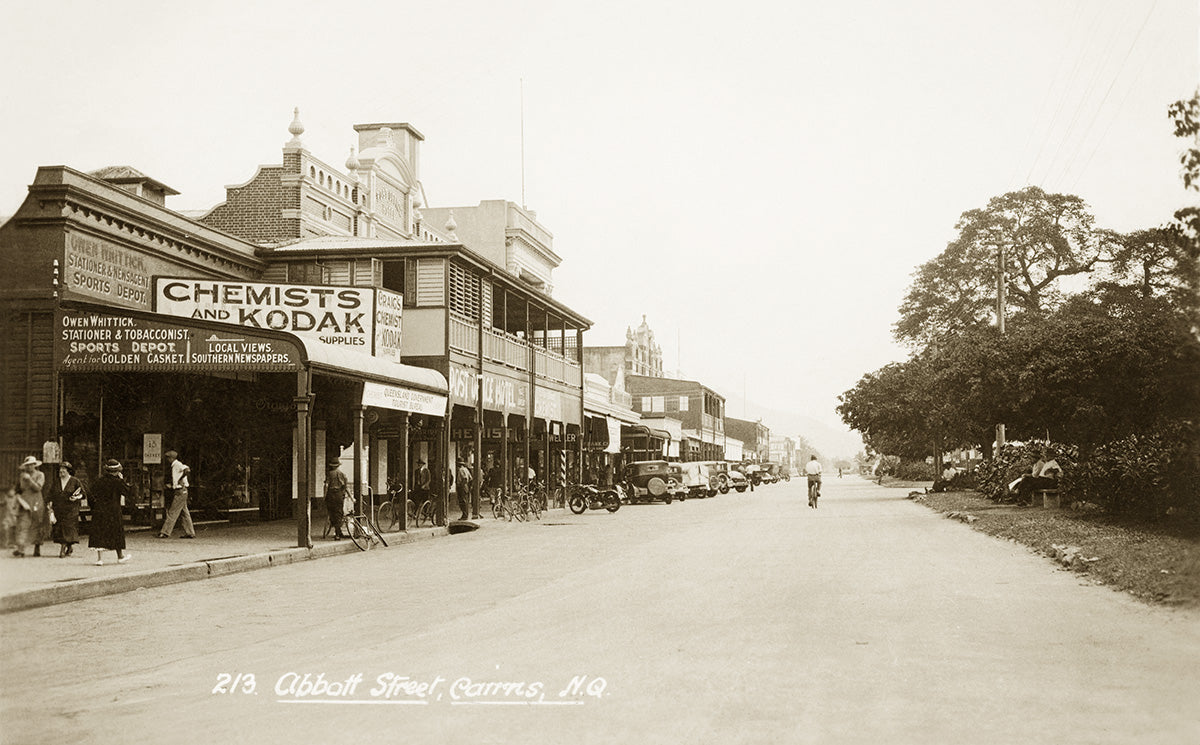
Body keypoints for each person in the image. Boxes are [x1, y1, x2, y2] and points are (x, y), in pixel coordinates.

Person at [89, 459, 130, 565]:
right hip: (114, 510)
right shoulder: (117, 482)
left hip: (100, 510)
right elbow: (126, 491)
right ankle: (120, 556)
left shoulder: (100, 481)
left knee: (100, 533)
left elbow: (91, 493)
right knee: (116, 533)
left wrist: (93, 506)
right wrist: (122, 480)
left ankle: (99, 559)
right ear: (117, 471)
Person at [48, 461, 85, 558]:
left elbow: (82, 494)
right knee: (60, 528)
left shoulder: (75, 481)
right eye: (60, 471)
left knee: (67, 526)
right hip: (59, 508)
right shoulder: (56, 482)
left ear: (68, 471)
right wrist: (50, 504)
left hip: (71, 509)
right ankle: (69, 546)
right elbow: (51, 494)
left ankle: (62, 549)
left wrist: (76, 497)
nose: (61, 472)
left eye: (63, 470)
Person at [12, 455, 47, 557]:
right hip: (25, 502)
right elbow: (19, 488)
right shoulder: (22, 476)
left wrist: (29, 480)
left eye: (31, 465)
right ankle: (21, 549)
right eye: (27, 465)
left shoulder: (40, 475)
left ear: (34, 465)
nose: (29, 467)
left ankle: (37, 546)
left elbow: (38, 488)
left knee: (37, 524)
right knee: (22, 525)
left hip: (36, 501)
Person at [158, 450, 195, 539]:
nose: (167, 460)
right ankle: (190, 532)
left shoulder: (177, 464)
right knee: (184, 512)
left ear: (171, 458)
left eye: (167, 458)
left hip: (180, 491)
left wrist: (179, 480)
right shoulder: (175, 465)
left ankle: (165, 532)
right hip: (182, 490)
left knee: (172, 512)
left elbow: (187, 470)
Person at [324, 461, 349, 540]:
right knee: (339, 513)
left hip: (331, 494)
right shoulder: (342, 474)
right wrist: (342, 494)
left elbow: (326, 485)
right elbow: (345, 486)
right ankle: (339, 532)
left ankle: (337, 533)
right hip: (339, 495)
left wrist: (324, 496)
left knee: (332, 513)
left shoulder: (329, 474)